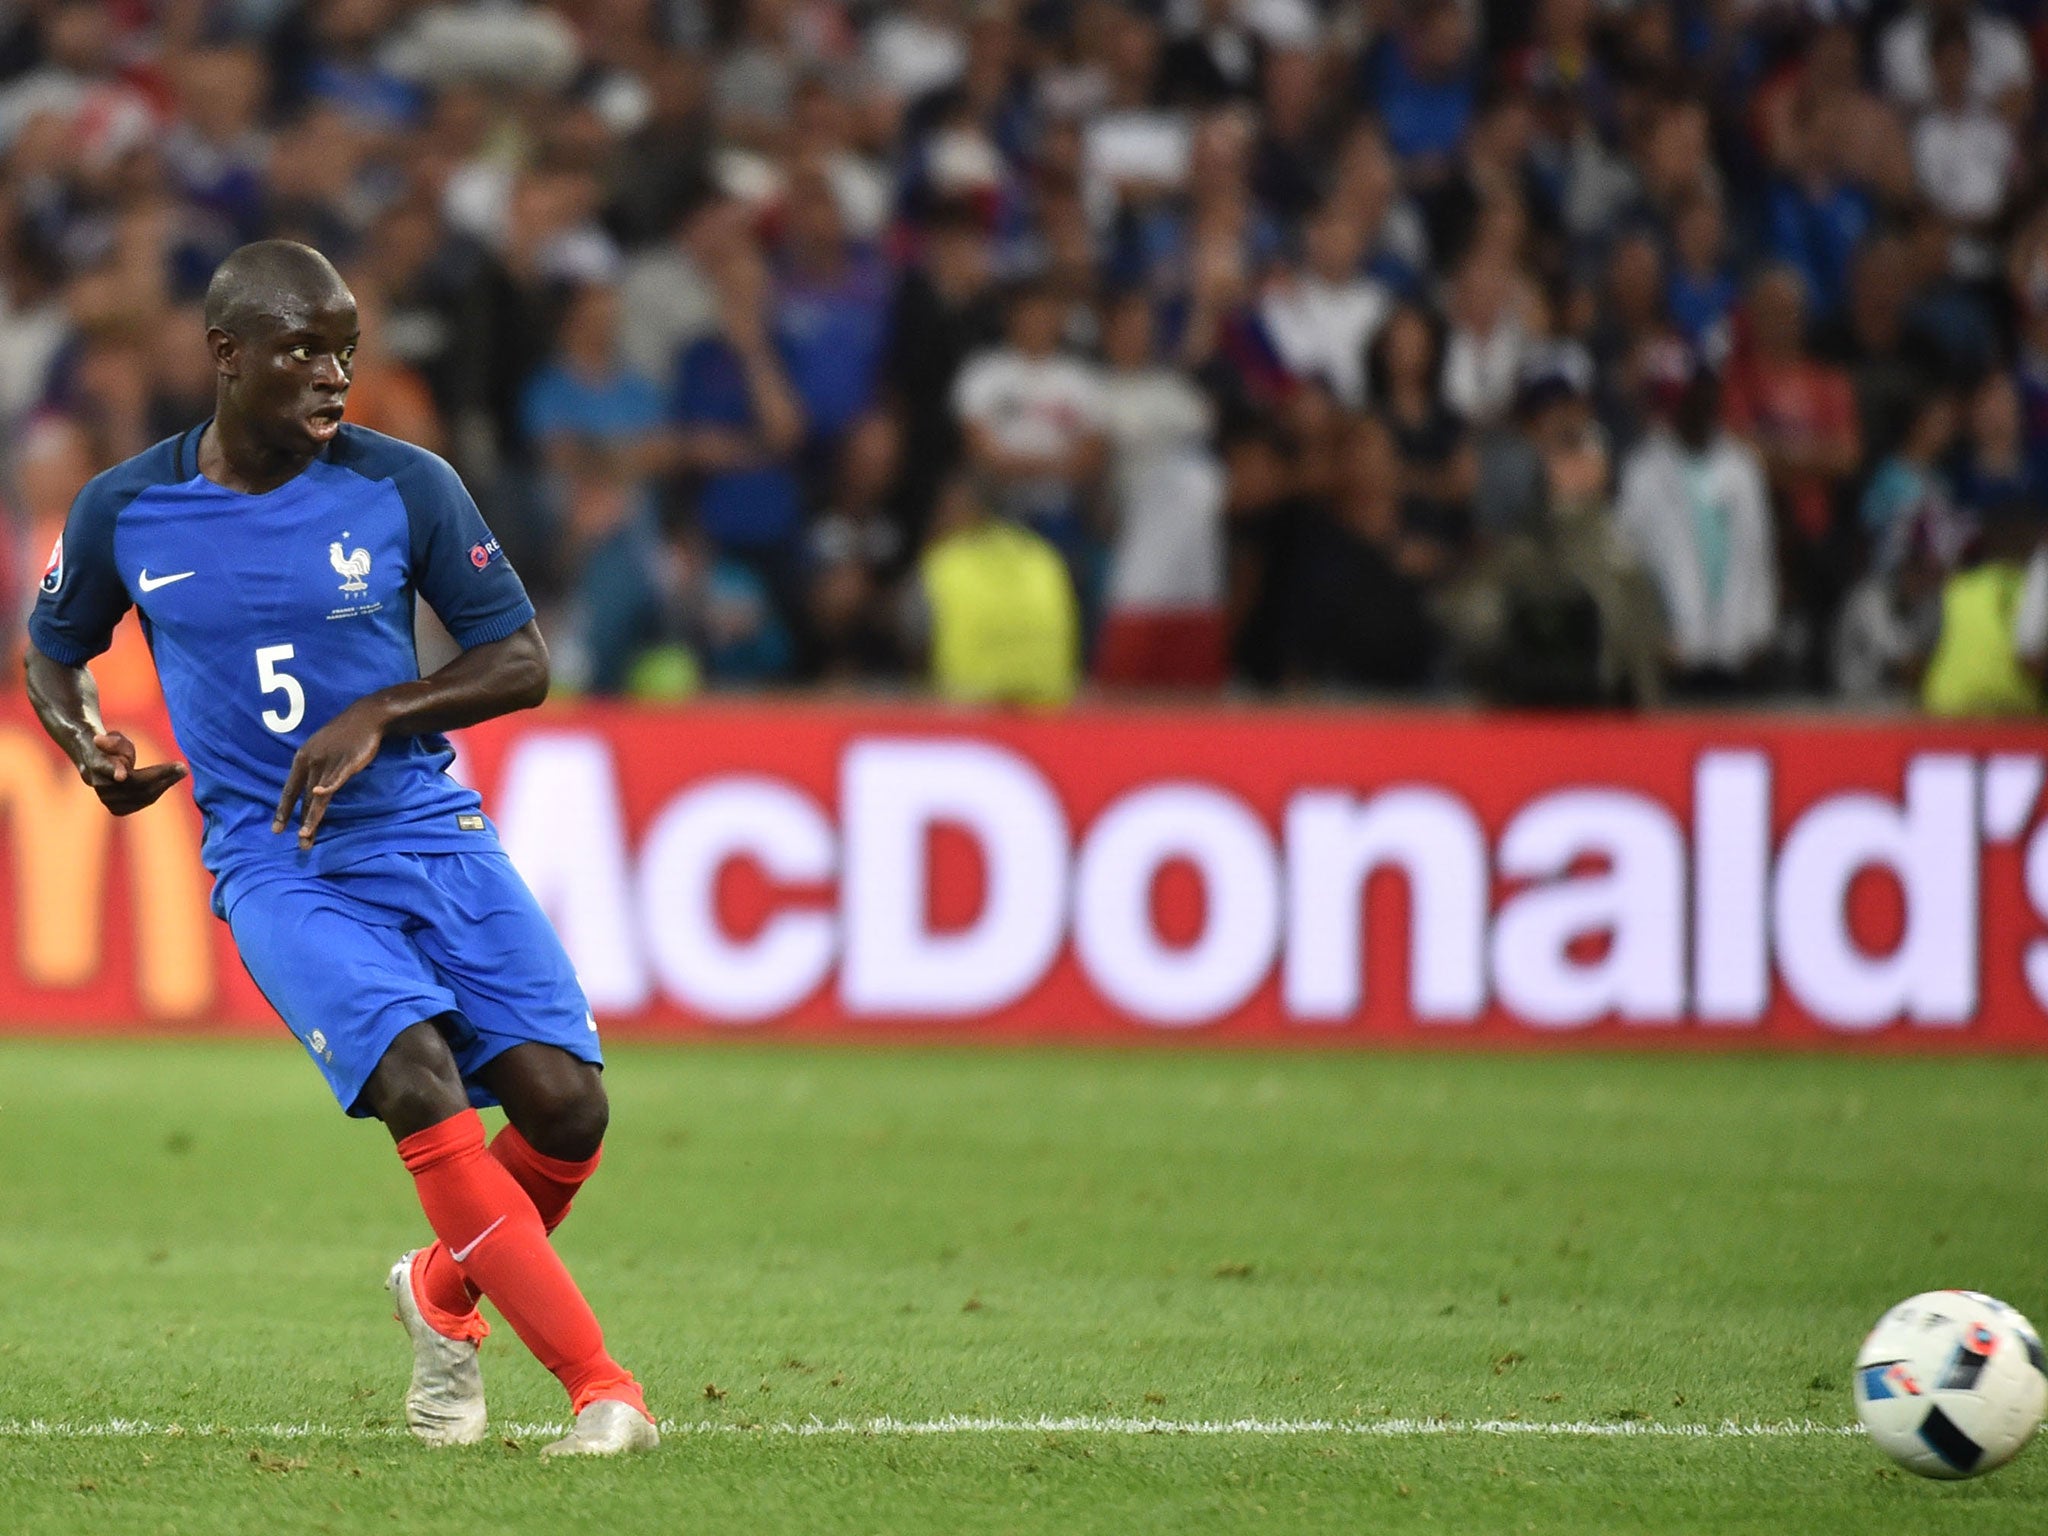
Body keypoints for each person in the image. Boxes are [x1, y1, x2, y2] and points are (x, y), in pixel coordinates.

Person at [21, 241, 657, 1458]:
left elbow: (521, 660)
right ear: (225, 356)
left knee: (567, 1112)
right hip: (276, 861)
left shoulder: (404, 485)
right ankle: (601, 1388)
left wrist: (384, 710)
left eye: (347, 352)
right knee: (417, 1081)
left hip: (425, 830)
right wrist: (89, 740)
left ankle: (437, 1291)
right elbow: (51, 648)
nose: (333, 378)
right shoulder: (126, 508)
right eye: (304, 350)